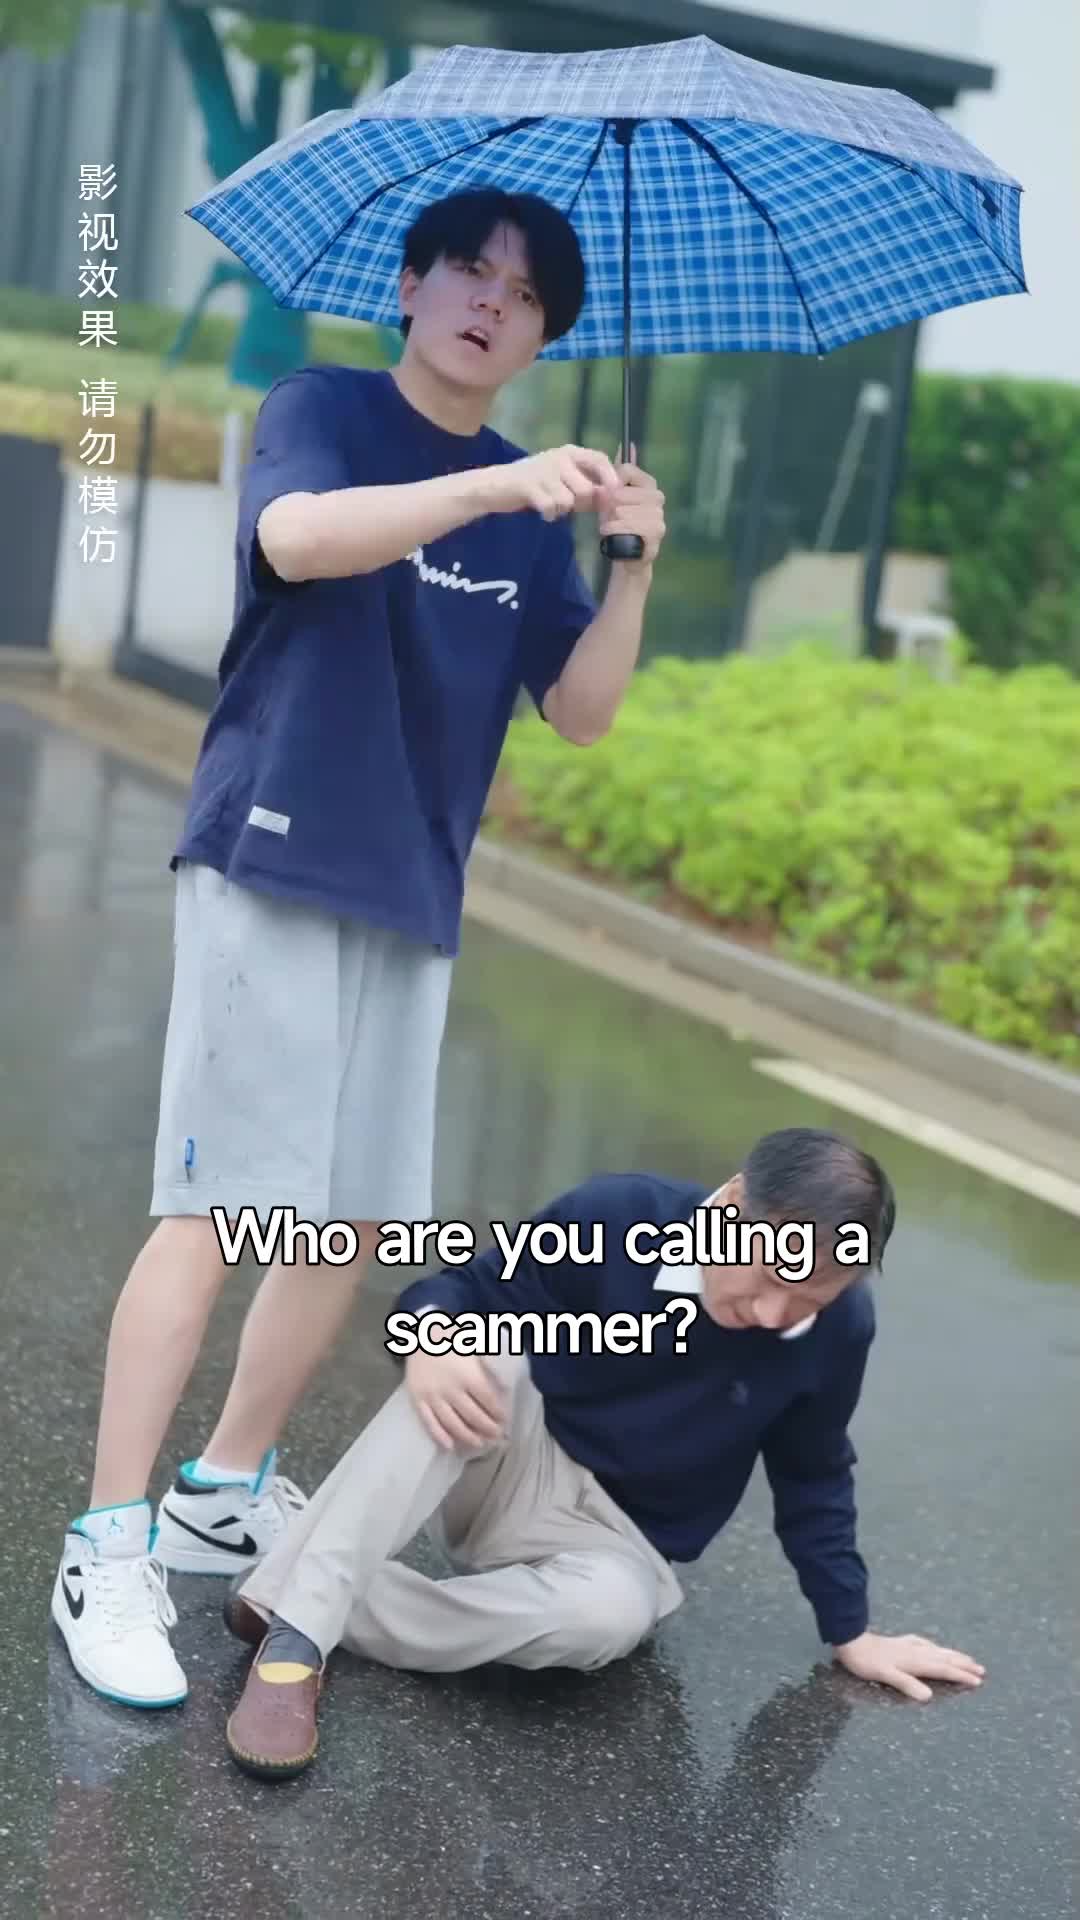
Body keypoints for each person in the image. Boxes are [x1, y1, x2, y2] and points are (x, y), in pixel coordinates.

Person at [51, 185, 667, 1710]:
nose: (491, 302)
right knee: (218, 1206)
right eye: (469, 270)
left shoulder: (534, 516)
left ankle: (222, 1488)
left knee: (343, 1224)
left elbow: (583, 711)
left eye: (526, 294)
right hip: (275, 849)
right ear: (410, 285)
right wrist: (488, 485)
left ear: (542, 335)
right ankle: (106, 1545)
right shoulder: (322, 410)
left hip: (412, 885)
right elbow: (299, 538)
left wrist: (631, 563)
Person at [220, 1127, 985, 1780]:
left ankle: (304, 1584)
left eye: (808, 1300)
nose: (772, 1312)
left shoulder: (840, 1328)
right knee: (474, 1351)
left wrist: (852, 1631)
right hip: (514, 1458)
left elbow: (813, 1473)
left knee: (608, 1620)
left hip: (619, 1543)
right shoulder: (618, 1216)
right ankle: (297, 1643)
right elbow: (463, 1287)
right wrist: (429, 1339)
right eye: (767, 1277)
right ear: (730, 1204)